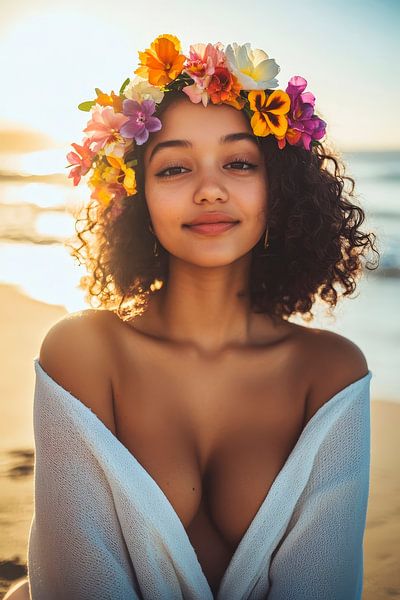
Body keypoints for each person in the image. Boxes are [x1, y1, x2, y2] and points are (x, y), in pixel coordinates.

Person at [7, 34, 379, 600]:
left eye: (238, 162)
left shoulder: (329, 374)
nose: (209, 190)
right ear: (136, 195)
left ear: (278, 188)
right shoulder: (83, 352)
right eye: (175, 168)